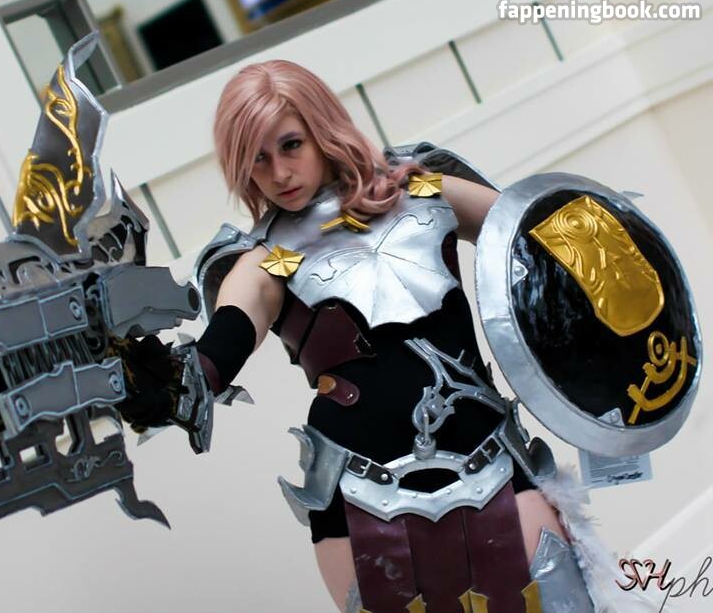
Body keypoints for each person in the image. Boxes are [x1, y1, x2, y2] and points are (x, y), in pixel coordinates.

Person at [120, 60, 593, 612]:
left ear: (322, 129)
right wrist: (164, 382)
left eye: (290, 145)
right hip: (363, 496)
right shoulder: (268, 259)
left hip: (489, 456)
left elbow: (542, 236)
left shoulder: (421, 190)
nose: (279, 173)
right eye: (257, 159)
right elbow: (220, 349)